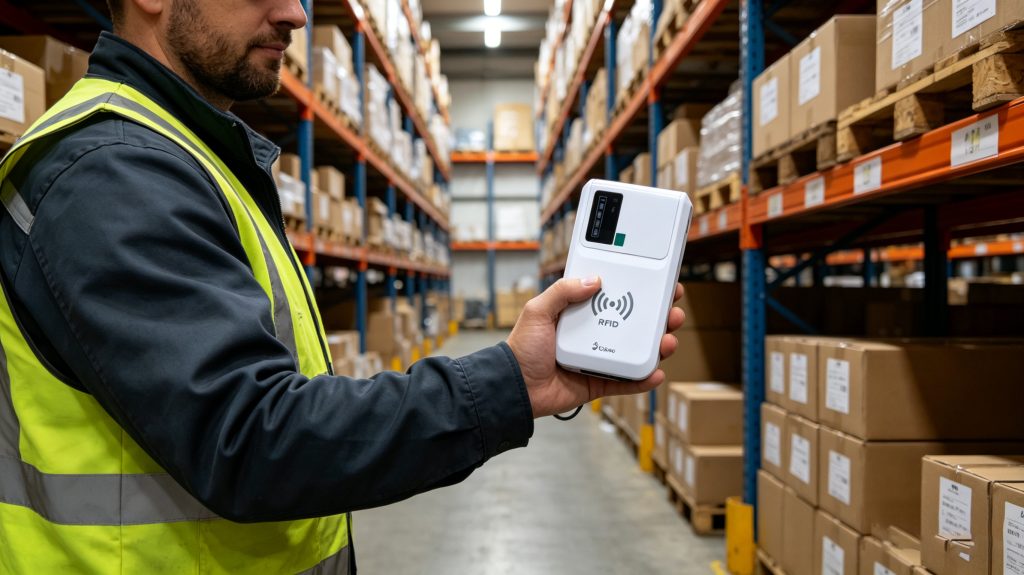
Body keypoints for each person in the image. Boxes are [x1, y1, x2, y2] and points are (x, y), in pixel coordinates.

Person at [0, 0, 685, 572]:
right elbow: (250, 437)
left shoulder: (189, 157)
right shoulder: (114, 174)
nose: (295, 13)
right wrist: (509, 384)